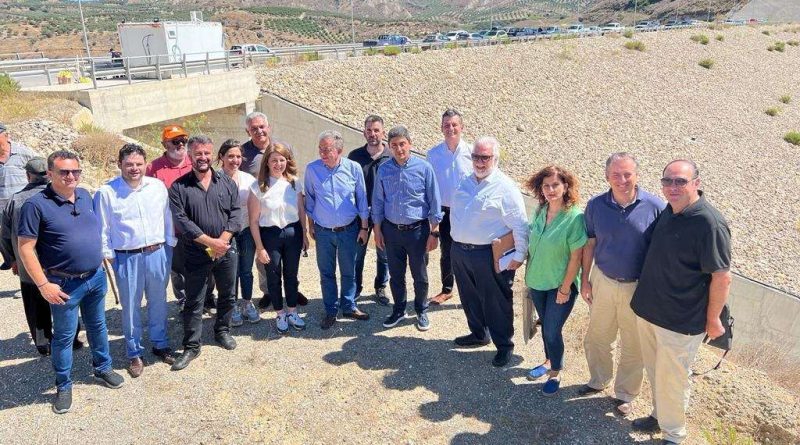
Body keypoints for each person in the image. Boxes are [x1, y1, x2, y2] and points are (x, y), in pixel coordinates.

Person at [629, 160, 732, 445]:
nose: (672, 187)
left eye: (680, 181)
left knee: (672, 379)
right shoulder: (670, 210)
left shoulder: (709, 223)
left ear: (696, 183)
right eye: (668, 181)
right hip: (650, 310)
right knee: (655, 371)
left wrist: (713, 319)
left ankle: (673, 435)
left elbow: (722, 277)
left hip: (681, 320)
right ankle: (659, 415)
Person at [17, 150, 124, 414]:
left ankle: (103, 368)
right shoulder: (35, 205)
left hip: (94, 278)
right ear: (50, 173)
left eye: (75, 171)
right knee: (64, 337)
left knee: (98, 326)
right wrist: (43, 285)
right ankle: (63, 385)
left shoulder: (85, 195)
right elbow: (25, 248)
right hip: (63, 285)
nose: (71, 176)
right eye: (64, 171)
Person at [578, 153, 665, 415]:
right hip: (602, 280)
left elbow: (661, 251)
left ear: (637, 175)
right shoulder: (595, 205)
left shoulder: (655, 207)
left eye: (628, 174)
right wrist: (585, 280)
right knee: (598, 336)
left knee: (634, 344)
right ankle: (598, 380)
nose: (622, 180)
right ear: (607, 177)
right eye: (616, 174)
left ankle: (626, 393)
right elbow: (590, 244)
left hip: (637, 287)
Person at [94, 144, 178, 378]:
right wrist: (109, 256)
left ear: (145, 165)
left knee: (158, 301)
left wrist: (169, 244)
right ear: (119, 164)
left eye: (139, 164)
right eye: (129, 164)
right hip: (126, 257)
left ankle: (160, 344)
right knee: (131, 307)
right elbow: (102, 227)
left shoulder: (157, 187)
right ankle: (134, 352)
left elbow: (167, 216)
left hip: (158, 253)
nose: (134, 168)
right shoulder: (107, 192)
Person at [449, 137, 528, 367]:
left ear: (496, 158)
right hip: (460, 251)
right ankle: (478, 334)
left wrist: (519, 255)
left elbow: (520, 225)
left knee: (496, 300)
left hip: (489, 255)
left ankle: (504, 346)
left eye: (485, 157)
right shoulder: (466, 181)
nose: (479, 162)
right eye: (476, 156)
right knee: (469, 296)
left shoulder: (506, 187)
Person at [169, 135, 241, 371]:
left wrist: (222, 242)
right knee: (194, 300)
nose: (203, 157)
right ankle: (192, 346)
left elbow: (235, 214)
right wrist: (211, 243)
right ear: (190, 155)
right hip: (195, 253)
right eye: (198, 153)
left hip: (226, 250)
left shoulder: (227, 183)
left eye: (206, 153)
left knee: (228, 295)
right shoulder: (179, 187)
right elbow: (182, 221)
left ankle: (222, 331)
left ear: (213, 155)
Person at [1, 158, 82, 356]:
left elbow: (4, 234)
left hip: (27, 266)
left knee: (35, 304)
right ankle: (71, 339)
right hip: (58, 264)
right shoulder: (59, 197)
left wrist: (11, 259)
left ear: (27, 175)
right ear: (49, 174)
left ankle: (43, 344)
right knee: (65, 301)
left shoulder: (15, 200)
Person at [524, 165, 587, 397]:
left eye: (555, 185)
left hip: (561, 285)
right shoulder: (541, 210)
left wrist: (565, 289)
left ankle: (555, 372)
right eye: (546, 186)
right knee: (546, 327)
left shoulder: (574, 217)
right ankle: (549, 360)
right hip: (537, 281)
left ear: (565, 186)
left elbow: (576, 257)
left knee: (552, 329)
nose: (550, 190)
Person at [373, 126, 442, 331]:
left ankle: (421, 309)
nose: (399, 149)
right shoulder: (383, 169)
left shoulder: (424, 168)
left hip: (417, 232)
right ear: (389, 147)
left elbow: (434, 202)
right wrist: (377, 230)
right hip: (391, 231)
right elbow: (378, 201)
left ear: (410, 144)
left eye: (402, 144)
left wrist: (434, 232)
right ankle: (399, 309)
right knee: (396, 275)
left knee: (419, 275)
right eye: (394, 145)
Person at [240, 111, 308, 309]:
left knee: (290, 264)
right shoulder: (243, 153)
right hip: (261, 210)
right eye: (254, 128)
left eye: (262, 127)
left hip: (286, 214)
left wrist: (304, 231)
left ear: (268, 127)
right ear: (248, 131)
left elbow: (292, 176)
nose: (259, 131)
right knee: (267, 264)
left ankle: (292, 291)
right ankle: (269, 292)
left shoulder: (283, 148)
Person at [304, 130, 370, 330]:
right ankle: (331, 310)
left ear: (339, 150)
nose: (323, 153)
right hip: (323, 232)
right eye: (321, 149)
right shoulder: (312, 169)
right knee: (327, 272)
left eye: (327, 149)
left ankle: (348, 306)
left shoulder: (354, 168)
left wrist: (364, 227)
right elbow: (309, 199)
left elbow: (362, 199)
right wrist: (311, 226)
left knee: (349, 270)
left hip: (349, 230)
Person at [146, 125, 214, 313]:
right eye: (175, 141)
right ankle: (184, 301)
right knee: (178, 270)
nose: (181, 144)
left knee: (208, 264)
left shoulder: (195, 161)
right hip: (173, 230)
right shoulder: (153, 168)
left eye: (183, 140)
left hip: (200, 228)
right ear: (164, 144)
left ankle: (208, 297)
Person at [248, 143, 308, 333]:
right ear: (267, 162)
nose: (278, 164)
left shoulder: (294, 183)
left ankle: (292, 311)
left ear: (287, 161)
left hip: (292, 233)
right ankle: (280, 313)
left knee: (291, 274)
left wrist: (304, 234)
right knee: (273, 276)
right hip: (270, 235)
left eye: (282, 160)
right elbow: (253, 221)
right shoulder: (258, 186)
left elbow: (301, 210)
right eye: (274, 160)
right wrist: (260, 248)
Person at [425, 109, 473, 305]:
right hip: (444, 211)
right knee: (447, 252)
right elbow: (430, 187)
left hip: (467, 212)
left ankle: (471, 291)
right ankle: (447, 289)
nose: (450, 128)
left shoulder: (473, 153)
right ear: (441, 128)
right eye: (447, 125)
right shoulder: (433, 154)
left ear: (462, 127)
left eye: (454, 124)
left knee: (470, 251)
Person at [347, 115, 391, 306]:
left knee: (383, 254)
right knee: (358, 254)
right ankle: (356, 288)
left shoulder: (391, 156)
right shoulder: (354, 157)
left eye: (376, 130)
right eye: (369, 130)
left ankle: (380, 287)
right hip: (360, 216)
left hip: (385, 215)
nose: (372, 134)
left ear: (383, 132)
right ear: (364, 132)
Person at [217, 139, 260, 326]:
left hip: (246, 229)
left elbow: (256, 205)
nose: (235, 160)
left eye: (238, 156)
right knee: (230, 271)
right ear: (221, 157)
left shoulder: (248, 179)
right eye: (230, 156)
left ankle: (247, 302)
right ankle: (231, 304)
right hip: (226, 233)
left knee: (246, 269)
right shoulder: (214, 179)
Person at [0, 122, 38, 269]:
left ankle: (30, 265)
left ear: (6, 136)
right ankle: (11, 261)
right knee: (4, 235)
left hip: (22, 205)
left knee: (26, 236)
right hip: (2, 206)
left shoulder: (23, 153)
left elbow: (39, 168)